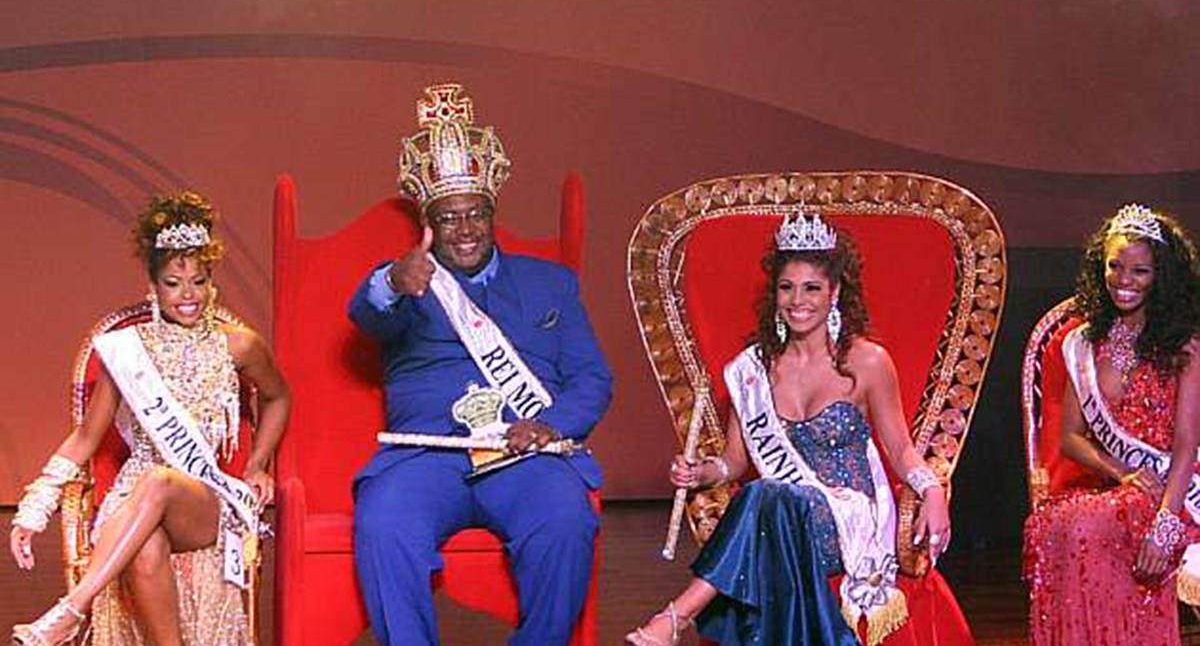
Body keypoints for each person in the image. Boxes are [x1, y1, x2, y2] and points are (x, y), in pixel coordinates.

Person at [349, 82, 613, 646]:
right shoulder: (408, 282)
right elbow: (367, 314)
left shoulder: (552, 282)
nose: (465, 229)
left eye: (476, 215)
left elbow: (592, 378)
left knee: (566, 520)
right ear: (428, 225)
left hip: (524, 454)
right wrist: (393, 281)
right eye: (449, 218)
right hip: (426, 457)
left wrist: (551, 425)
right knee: (383, 521)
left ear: (493, 216)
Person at [626, 212, 951, 646]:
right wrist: (700, 472)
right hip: (783, 516)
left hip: (846, 522)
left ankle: (676, 616)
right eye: (787, 287)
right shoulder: (753, 370)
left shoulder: (868, 362)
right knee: (768, 495)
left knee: (766, 495)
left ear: (834, 293)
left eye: (812, 288)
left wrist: (933, 491)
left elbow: (899, 448)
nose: (798, 300)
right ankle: (674, 620)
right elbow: (733, 463)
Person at [9, 190, 290, 646]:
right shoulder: (127, 350)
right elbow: (85, 438)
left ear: (212, 281)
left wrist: (258, 464)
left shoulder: (239, 345)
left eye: (198, 281)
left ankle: (72, 609)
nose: (188, 295)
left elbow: (278, 398)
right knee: (146, 548)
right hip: (133, 500)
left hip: (203, 498)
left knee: (159, 481)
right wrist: (34, 508)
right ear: (154, 286)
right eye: (174, 283)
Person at [1024, 203, 1200, 645]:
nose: (1124, 280)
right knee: (1056, 527)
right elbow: (1069, 438)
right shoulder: (1084, 343)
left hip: (1178, 492)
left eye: (1140, 271)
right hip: (1122, 487)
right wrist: (1121, 471)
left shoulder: (1185, 345)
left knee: (1088, 526)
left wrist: (1165, 526)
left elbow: (1186, 445)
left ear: (1162, 276)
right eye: (1115, 266)